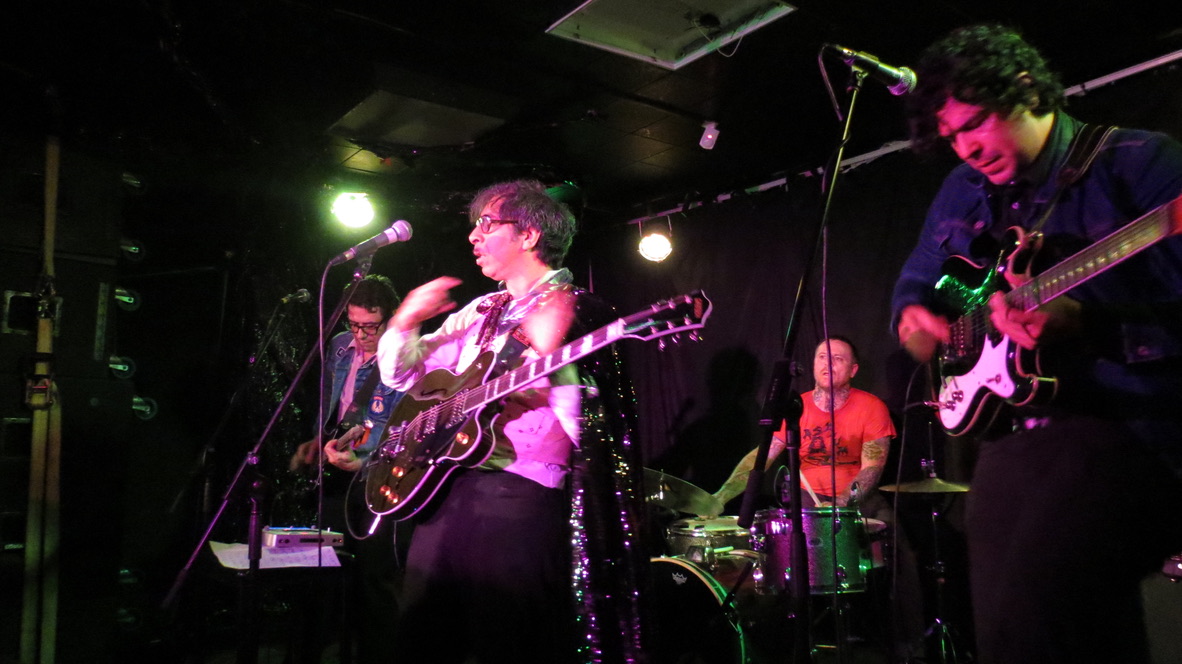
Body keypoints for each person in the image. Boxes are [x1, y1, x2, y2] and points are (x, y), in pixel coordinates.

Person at [891, 24, 1182, 664]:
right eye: (952, 137)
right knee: (1002, 621)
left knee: (1039, 609)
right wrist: (915, 321)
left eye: (976, 124)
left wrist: (1090, 323)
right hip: (1022, 427)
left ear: (1025, 88)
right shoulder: (961, 190)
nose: (967, 148)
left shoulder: (1139, 162)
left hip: (1138, 423)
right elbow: (917, 279)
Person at [374, 179, 647, 663]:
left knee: (507, 642)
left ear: (528, 235)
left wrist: (558, 372)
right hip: (446, 488)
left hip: (520, 496)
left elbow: (595, 435)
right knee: (421, 636)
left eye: (487, 223)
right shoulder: (481, 310)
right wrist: (404, 321)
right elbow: (401, 376)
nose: (473, 236)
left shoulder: (581, 310)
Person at [287, 273, 405, 664]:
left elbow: (403, 428)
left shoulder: (406, 356)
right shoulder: (340, 346)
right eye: (354, 324)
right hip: (338, 472)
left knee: (374, 581)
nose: (361, 335)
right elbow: (332, 403)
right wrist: (318, 439)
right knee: (323, 569)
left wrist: (366, 457)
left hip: (379, 478)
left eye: (371, 326)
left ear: (391, 318)